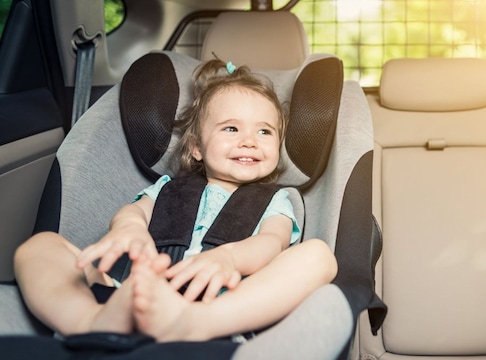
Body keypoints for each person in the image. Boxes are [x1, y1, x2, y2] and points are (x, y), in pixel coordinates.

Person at [13, 58, 338, 343]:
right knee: (39, 246)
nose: (250, 142)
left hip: (220, 302)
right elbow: (135, 212)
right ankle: (89, 322)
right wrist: (129, 229)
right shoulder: (167, 188)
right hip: (132, 292)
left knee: (319, 256)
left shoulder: (276, 199)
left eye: (265, 132)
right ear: (196, 147)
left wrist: (229, 259)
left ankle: (193, 324)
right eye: (231, 129)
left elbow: (272, 242)